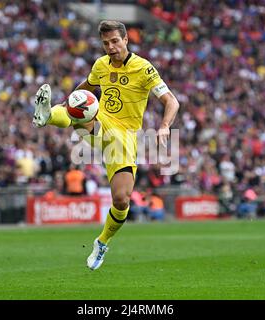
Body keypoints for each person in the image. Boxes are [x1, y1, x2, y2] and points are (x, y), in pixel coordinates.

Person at [33, 20, 179, 270]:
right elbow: (84, 89)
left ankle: (102, 242)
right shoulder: (100, 65)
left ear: (126, 40)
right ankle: (48, 115)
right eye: (105, 43)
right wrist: (64, 103)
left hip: (125, 137)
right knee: (80, 106)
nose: (110, 47)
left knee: (122, 200)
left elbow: (171, 101)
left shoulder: (144, 68)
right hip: (101, 120)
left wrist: (165, 126)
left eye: (114, 41)